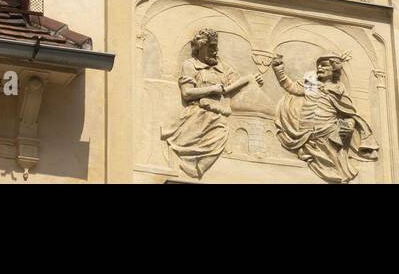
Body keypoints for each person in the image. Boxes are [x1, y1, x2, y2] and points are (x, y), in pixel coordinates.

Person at [162, 28, 264, 178]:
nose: (215, 51)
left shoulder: (223, 68)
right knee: (188, 138)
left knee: (221, 133)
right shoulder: (190, 65)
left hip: (218, 116)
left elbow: (235, 84)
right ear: (201, 47)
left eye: (216, 47)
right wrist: (212, 89)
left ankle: (197, 170)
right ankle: (188, 165)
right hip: (196, 114)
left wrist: (254, 81)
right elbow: (187, 93)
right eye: (211, 47)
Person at [270, 52, 379, 183]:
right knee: (319, 157)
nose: (319, 68)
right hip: (306, 131)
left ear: (334, 68)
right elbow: (292, 88)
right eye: (318, 66)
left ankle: (338, 174)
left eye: (324, 65)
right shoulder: (312, 83)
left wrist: (349, 127)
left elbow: (348, 113)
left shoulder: (338, 88)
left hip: (328, 131)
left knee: (334, 158)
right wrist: (278, 68)